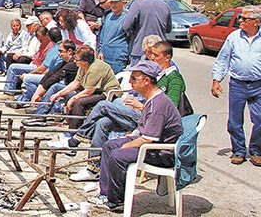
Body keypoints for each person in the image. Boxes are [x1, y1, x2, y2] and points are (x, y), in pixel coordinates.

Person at [63, 41, 186, 181]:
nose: (151, 57)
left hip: (150, 120)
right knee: (103, 122)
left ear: (167, 57)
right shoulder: (157, 73)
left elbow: (168, 108)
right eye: (151, 54)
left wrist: (140, 105)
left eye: (156, 55)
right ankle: (93, 168)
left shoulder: (174, 79)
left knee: (103, 105)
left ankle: (77, 138)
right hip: (141, 113)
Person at [89, 59, 183, 211]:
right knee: (108, 146)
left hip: (161, 153)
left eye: (134, 78)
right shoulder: (151, 100)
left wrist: (127, 144)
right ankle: (105, 194)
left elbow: (148, 138)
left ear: (146, 81)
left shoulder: (158, 105)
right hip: (151, 145)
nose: (130, 81)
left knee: (118, 155)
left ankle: (116, 201)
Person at [211, 5, 261, 167]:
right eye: (241, 17)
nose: (240, 21)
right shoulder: (234, 37)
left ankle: (255, 150)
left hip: (260, 85)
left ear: (256, 21)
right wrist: (216, 79)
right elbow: (223, 59)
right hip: (238, 84)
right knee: (234, 121)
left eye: (244, 19)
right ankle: (238, 151)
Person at [31, 45, 117, 127]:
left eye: (77, 59)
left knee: (78, 102)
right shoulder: (82, 65)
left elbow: (88, 91)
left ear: (85, 61)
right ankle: (39, 116)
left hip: (105, 93)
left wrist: (72, 99)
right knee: (56, 87)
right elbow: (76, 83)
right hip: (88, 90)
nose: (74, 61)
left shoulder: (95, 69)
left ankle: (74, 131)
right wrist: (58, 94)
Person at [122, 0, 171, 64]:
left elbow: (125, 26)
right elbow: (168, 29)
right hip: (160, 53)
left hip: (141, 52)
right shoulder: (164, 5)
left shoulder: (137, 3)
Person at [0, 26, 55, 98]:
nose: (40, 40)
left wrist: (29, 74)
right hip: (35, 63)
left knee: (13, 68)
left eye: (41, 38)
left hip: (39, 67)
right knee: (12, 63)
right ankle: (10, 90)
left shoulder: (50, 46)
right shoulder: (42, 43)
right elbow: (36, 55)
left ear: (46, 35)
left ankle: (9, 92)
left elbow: (44, 66)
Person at [97, 0, 129, 74]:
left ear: (123, 3)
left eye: (116, 2)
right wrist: (100, 50)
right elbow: (102, 35)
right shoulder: (108, 16)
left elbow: (130, 38)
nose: (113, 5)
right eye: (111, 3)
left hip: (117, 58)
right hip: (104, 57)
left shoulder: (127, 18)